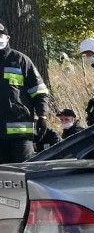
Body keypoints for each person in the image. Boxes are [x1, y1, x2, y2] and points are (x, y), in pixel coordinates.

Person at [0, 20, 51, 163]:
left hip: (20, 132)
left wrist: (42, 116)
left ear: (7, 38)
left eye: (0, 34)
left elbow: (39, 91)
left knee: (23, 172)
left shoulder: (20, 60)